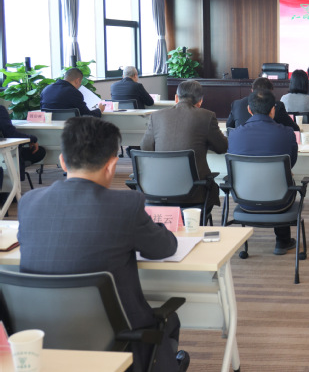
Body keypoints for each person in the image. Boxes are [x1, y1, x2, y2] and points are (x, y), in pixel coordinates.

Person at [17, 117, 188, 372]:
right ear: (111, 165)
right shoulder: (126, 205)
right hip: (118, 341)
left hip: (45, 339)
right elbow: (165, 248)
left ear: (62, 161)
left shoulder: (29, 202)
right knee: (170, 319)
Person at [228, 89, 299, 255]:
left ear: (249, 110)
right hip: (281, 201)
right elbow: (291, 162)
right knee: (283, 181)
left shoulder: (234, 134)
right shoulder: (287, 133)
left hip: (244, 199)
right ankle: (282, 241)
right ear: (273, 109)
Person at [141, 80, 228, 206]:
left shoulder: (156, 116)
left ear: (176, 98)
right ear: (200, 101)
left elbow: (145, 148)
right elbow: (222, 147)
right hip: (194, 193)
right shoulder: (207, 116)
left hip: (158, 190)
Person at [226, 77, 298, 131]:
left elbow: (229, 126)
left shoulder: (237, 104)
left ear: (252, 90)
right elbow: (294, 128)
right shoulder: (277, 106)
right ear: (271, 92)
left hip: (241, 143)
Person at [0, 104, 47, 172]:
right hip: (4, 153)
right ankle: (16, 169)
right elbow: (11, 135)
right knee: (40, 152)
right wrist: (32, 139)